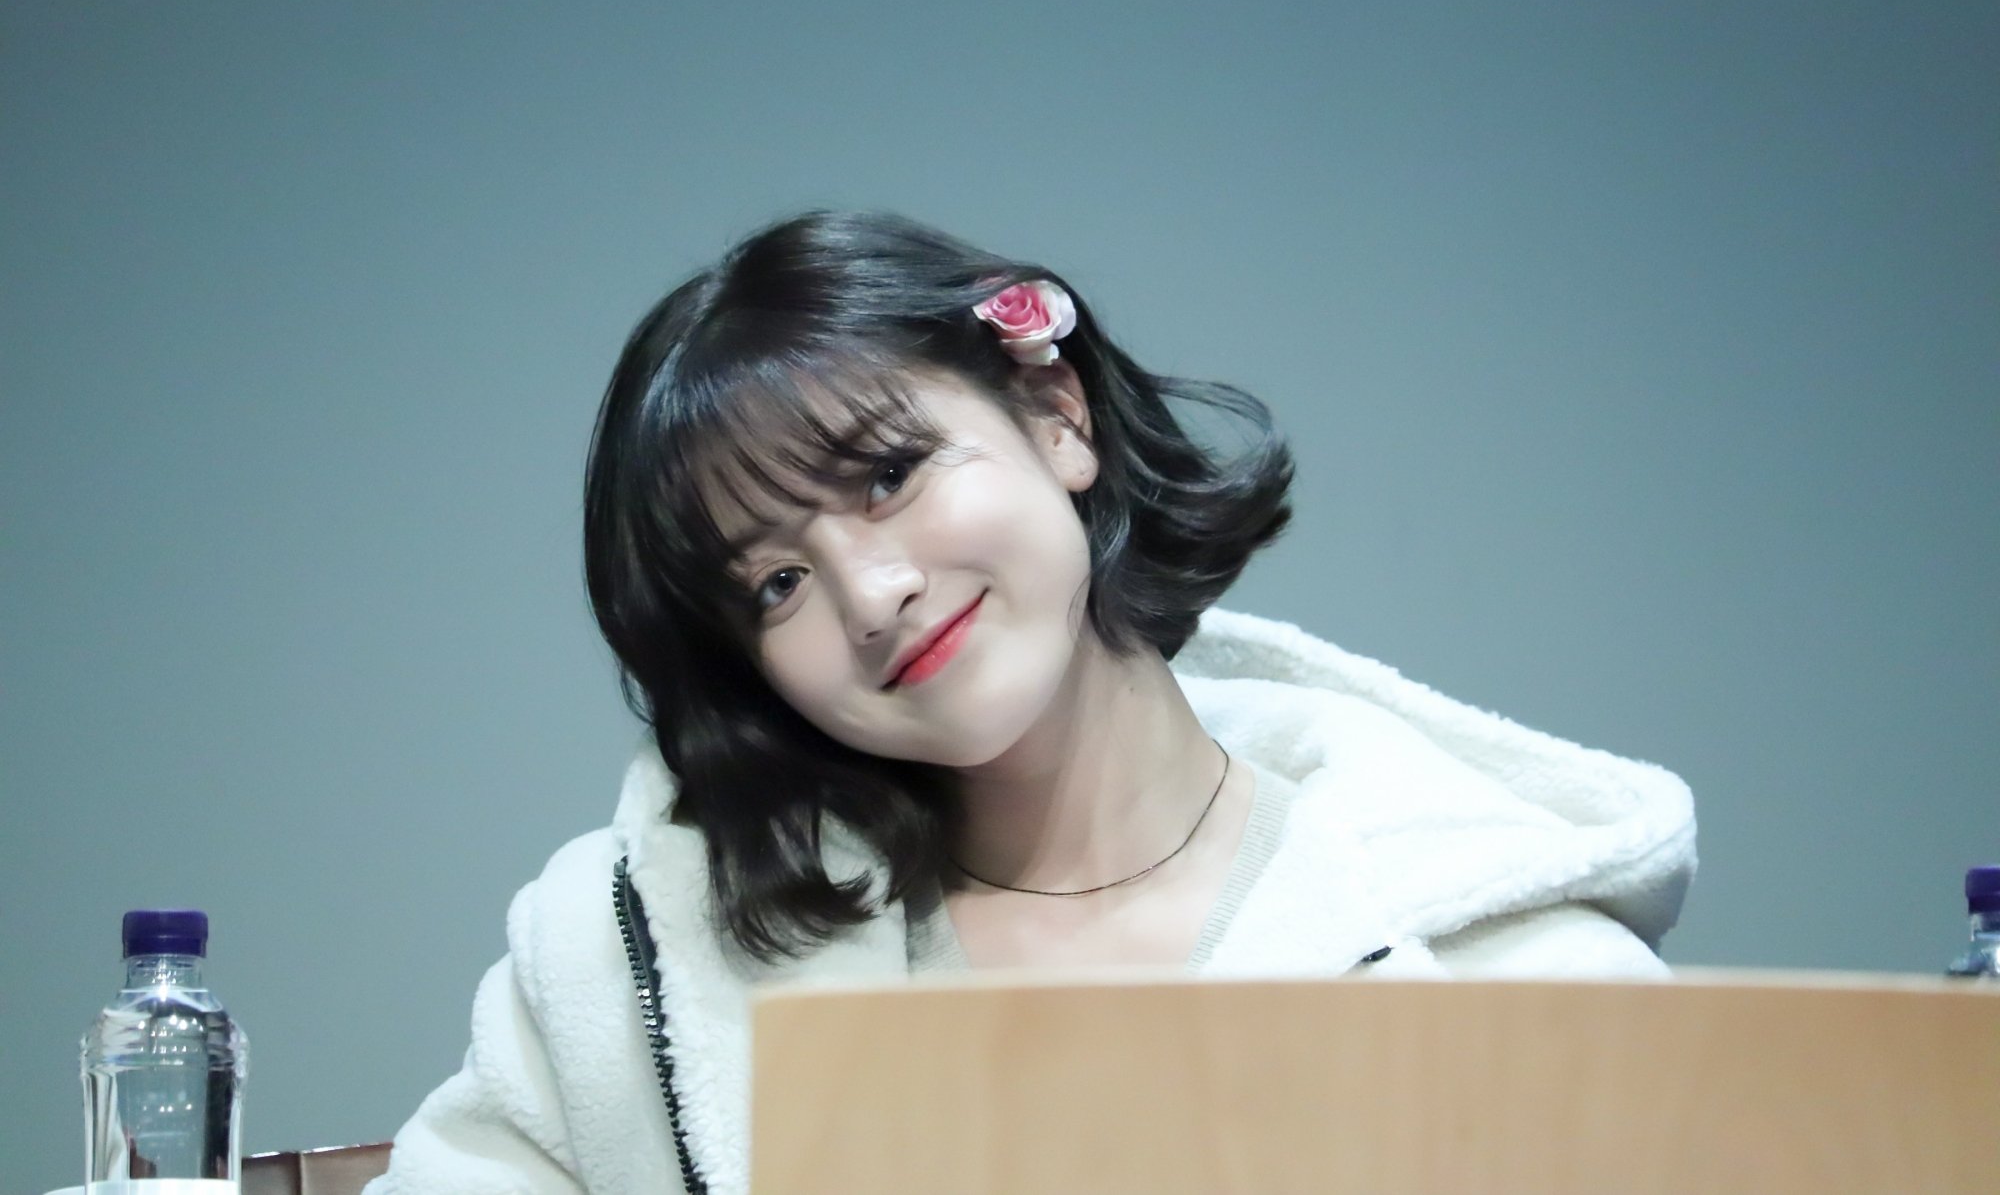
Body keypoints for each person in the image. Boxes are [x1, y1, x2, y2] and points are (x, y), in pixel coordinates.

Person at [366, 210, 1696, 1195]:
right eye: (775, 582)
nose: (872, 592)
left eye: (886, 475)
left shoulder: (1501, 964)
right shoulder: (626, 968)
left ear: (1055, 412)